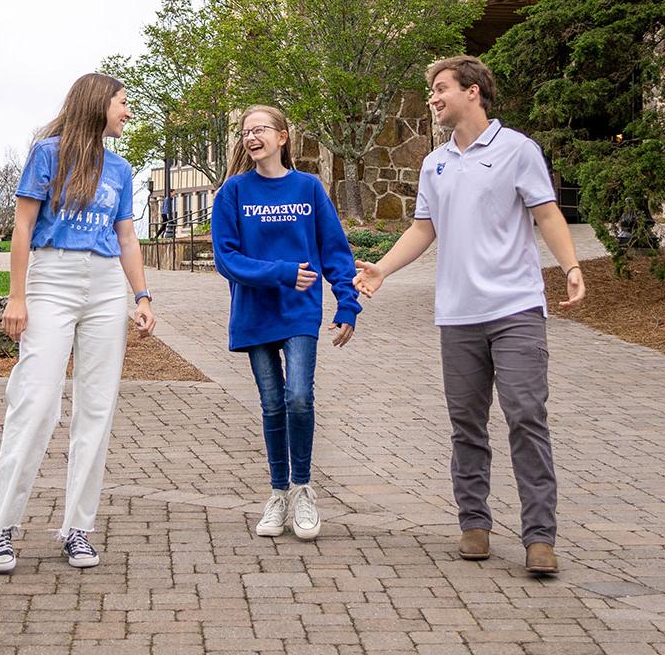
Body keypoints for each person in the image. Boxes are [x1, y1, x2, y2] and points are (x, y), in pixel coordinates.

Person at [353, 55, 585, 576]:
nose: (433, 98)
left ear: (473, 91)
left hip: (516, 309)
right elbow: (422, 230)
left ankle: (539, 537)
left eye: (440, 88)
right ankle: (474, 524)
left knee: (527, 417)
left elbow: (547, 212)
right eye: (432, 90)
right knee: (467, 425)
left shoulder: (517, 150)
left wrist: (570, 265)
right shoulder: (434, 165)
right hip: (457, 316)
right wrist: (383, 270)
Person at [0, 73, 155, 574]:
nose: (128, 112)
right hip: (52, 277)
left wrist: (141, 296)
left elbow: (126, 238)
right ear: (100, 103)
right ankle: (3, 523)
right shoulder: (48, 153)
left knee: (96, 409)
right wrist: (17, 295)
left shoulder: (120, 169)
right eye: (124, 103)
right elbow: (22, 225)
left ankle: (78, 527)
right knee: (36, 403)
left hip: (104, 286)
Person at [210, 105, 359, 542]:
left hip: (299, 311)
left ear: (282, 137)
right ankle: (277, 494)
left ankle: (303, 489)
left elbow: (334, 251)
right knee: (272, 403)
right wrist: (281, 272)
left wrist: (347, 304)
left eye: (260, 130)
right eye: (244, 132)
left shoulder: (308, 188)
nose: (251, 137)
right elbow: (227, 258)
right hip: (254, 312)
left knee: (298, 397)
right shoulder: (232, 193)